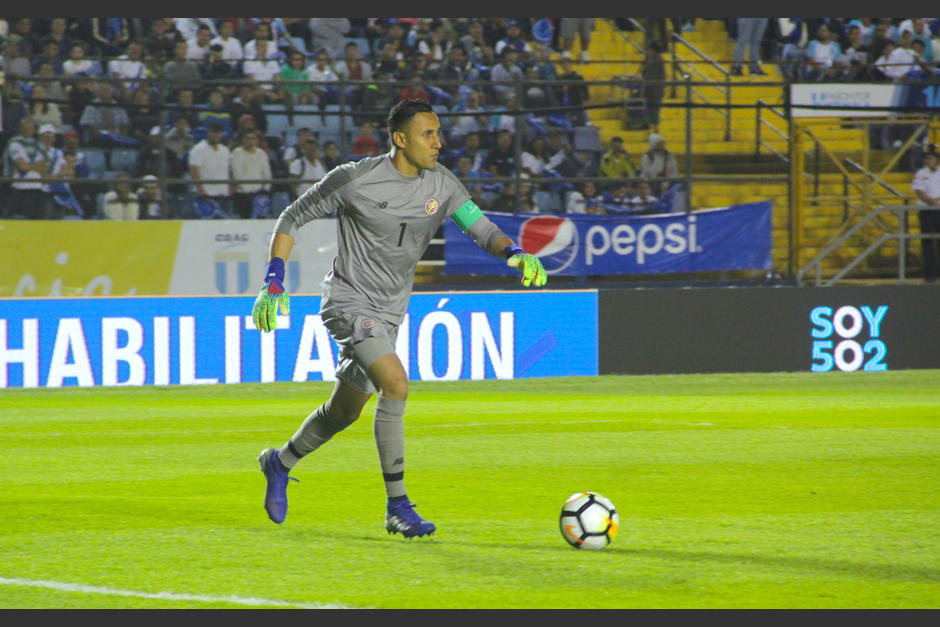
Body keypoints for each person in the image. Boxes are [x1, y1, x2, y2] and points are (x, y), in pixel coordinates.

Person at [252, 99, 547, 538]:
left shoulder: (442, 184)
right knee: (396, 384)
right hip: (349, 302)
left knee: (343, 411)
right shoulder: (354, 179)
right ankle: (398, 506)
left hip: (391, 312)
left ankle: (280, 462)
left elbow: (480, 226)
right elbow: (293, 216)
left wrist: (514, 251)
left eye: (439, 133)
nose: (438, 143)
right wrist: (274, 279)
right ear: (400, 139)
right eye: (428, 134)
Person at [912, 149, 940, 282]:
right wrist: (932, 201)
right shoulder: (921, 173)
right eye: (926, 158)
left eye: (931, 158)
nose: (928, 161)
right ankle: (929, 275)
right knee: (927, 242)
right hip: (926, 211)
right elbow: (919, 191)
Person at [231, 130, 273, 219]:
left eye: (253, 139)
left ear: (257, 140)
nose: (250, 141)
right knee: (245, 219)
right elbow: (237, 173)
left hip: (260, 194)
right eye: (248, 139)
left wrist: (266, 189)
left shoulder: (261, 153)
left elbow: (267, 172)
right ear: (243, 140)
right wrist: (247, 191)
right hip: (243, 194)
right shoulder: (237, 153)